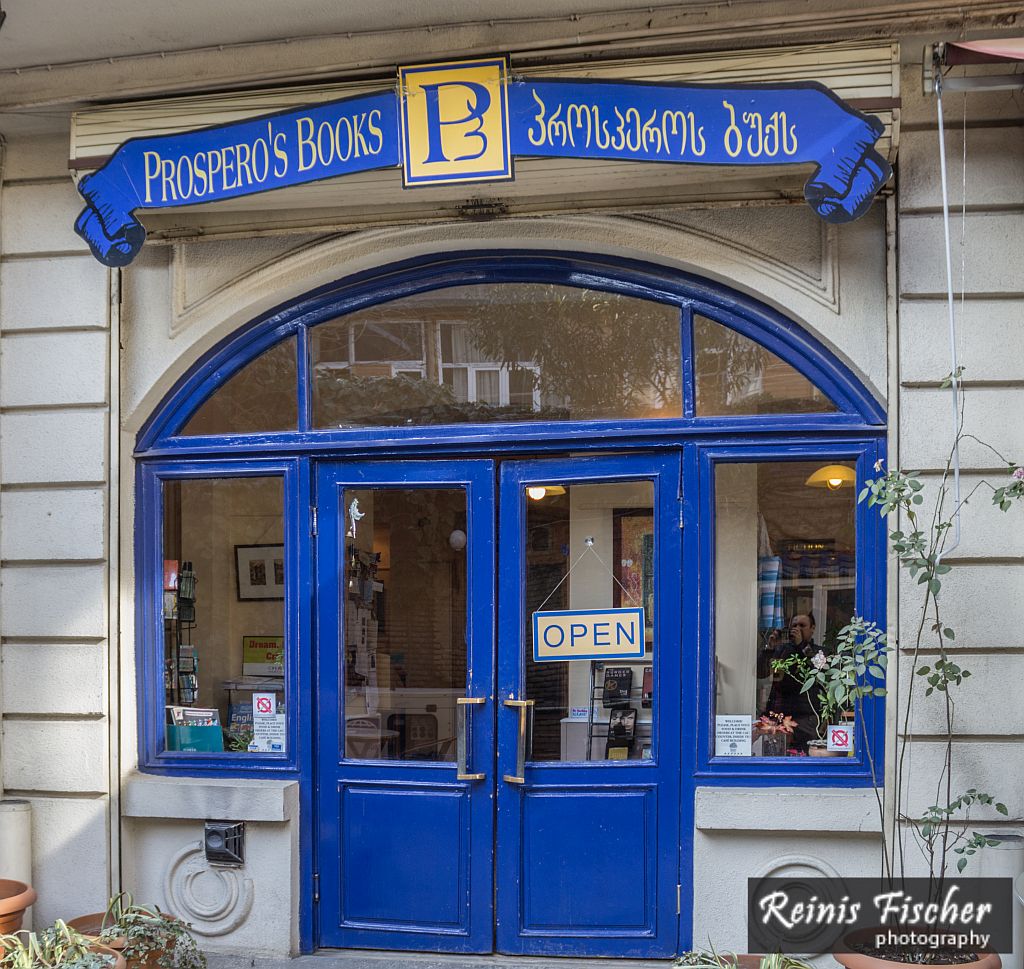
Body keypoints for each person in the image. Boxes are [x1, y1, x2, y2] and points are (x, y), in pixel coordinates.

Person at [765, 613, 822, 749]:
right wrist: (769, 648)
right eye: (794, 626)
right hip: (779, 715)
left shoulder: (818, 651)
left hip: (805, 718)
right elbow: (761, 674)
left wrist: (801, 645)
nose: (797, 629)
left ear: (812, 628)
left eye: (802, 626)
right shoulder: (782, 650)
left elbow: (817, 669)